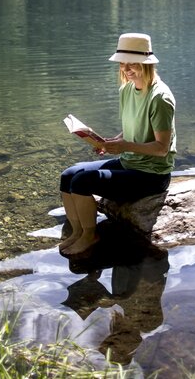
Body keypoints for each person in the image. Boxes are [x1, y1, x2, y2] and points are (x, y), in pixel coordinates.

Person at [59, 32, 176, 256]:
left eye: (133, 64)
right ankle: (76, 232)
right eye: (123, 63)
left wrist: (124, 146)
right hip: (129, 161)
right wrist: (111, 142)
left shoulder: (160, 98)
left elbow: (162, 148)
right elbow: (135, 127)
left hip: (152, 174)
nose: (126, 69)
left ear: (147, 63)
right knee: (68, 175)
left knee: (83, 181)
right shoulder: (127, 90)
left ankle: (89, 235)